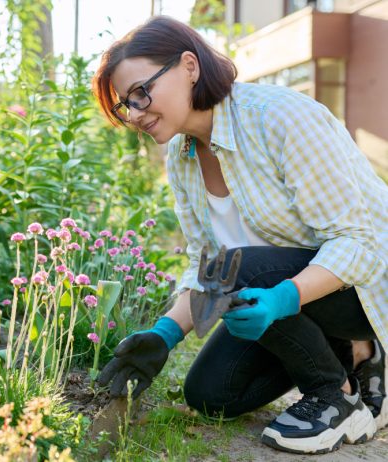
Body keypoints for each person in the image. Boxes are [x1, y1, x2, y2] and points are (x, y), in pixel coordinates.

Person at [91, 15, 388, 455]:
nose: (135, 113)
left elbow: (360, 243)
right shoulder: (183, 155)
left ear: (189, 66)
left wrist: (282, 298)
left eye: (140, 92)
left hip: (366, 288)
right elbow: (203, 263)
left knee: (239, 269)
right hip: (283, 289)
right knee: (212, 395)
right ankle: (347, 356)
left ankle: (339, 395)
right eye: (125, 105)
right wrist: (164, 336)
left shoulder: (281, 118)